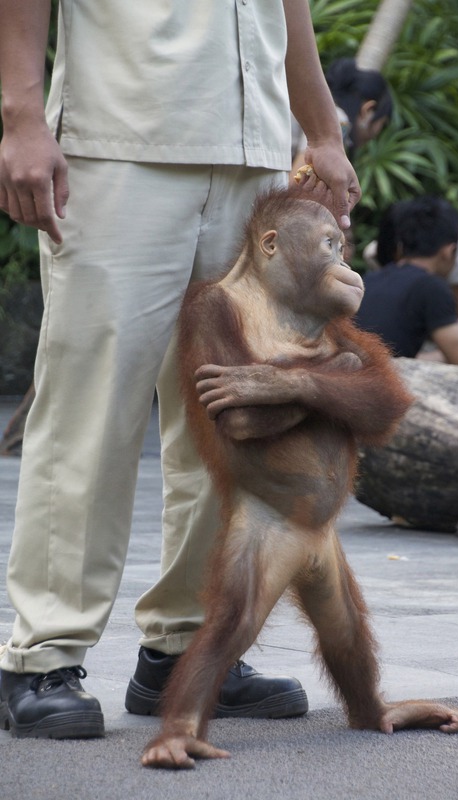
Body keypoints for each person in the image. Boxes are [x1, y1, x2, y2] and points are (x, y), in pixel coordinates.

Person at [0, 0, 359, 740]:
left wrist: (322, 130)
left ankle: (185, 646)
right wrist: (22, 120)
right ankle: (43, 656)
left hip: (253, 154)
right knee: (91, 407)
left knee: (232, 417)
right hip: (120, 143)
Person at [355, 196, 458, 368]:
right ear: (449, 251)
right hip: (377, 386)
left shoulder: (368, 280)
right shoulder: (432, 287)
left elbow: (400, 357)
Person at [291, 57, 393, 174]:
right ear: (367, 110)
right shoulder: (339, 121)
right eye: (382, 124)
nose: (376, 135)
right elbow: (297, 181)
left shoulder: (322, 108)